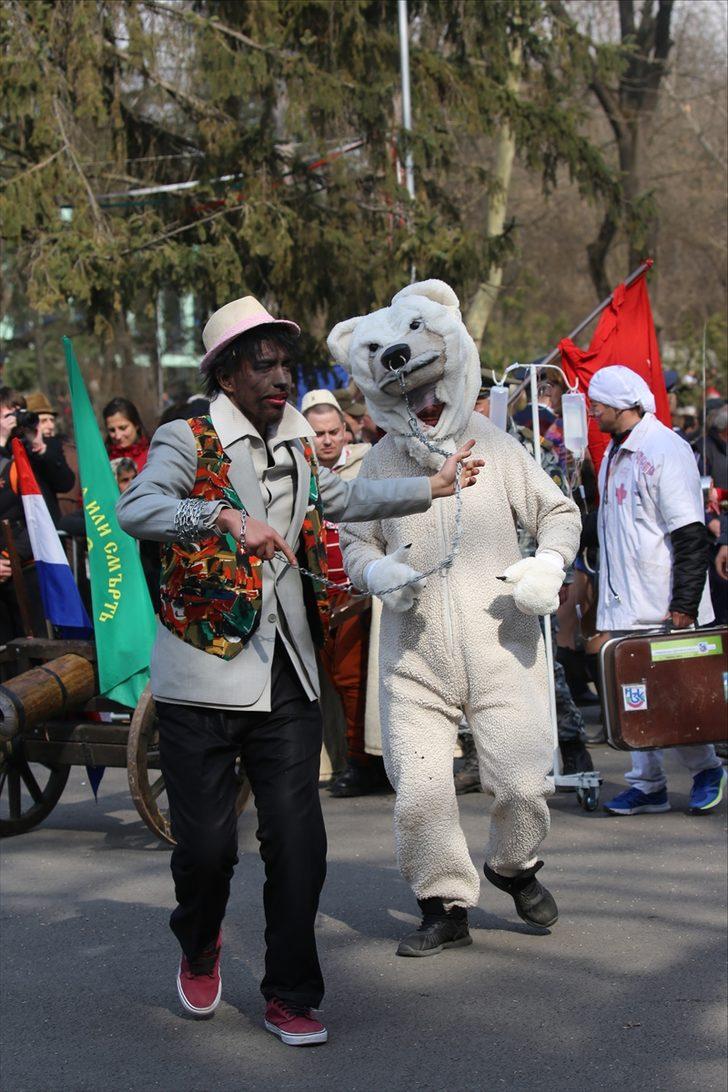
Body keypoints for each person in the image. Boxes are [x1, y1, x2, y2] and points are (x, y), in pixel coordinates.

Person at [116, 295, 481, 1045]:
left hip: (287, 675)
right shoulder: (185, 439)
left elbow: (340, 495)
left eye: (285, 362)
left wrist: (431, 485)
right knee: (209, 851)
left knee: (299, 845)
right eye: (264, 363)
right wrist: (218, 517)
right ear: (225, 372)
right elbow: (138, 508)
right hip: (200, 674)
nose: (281, 375)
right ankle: (200, 941)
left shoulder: (294, 443)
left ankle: (291, 994)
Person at [586, 366, 726, 817]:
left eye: (598, 405)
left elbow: (690, 533)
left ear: (620, 405)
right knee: (636, 701)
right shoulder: (614, 452)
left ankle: (707, 770)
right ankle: (648, 786)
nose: (593, 412)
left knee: (678, 699)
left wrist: (684, 604)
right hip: (624, 605)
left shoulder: (663, 448)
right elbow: (611, 523)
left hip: (664, 604)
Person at [301, 390, 388, 797]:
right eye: (318, 433)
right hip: (313, 592)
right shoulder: (294, 472)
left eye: (334, 431)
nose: (328, 440)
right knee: (325, 684)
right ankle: (333, 760)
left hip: (355, 591)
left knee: (354, 681)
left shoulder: (366, 465)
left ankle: (361, 761)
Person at [0, 388, 76, 640]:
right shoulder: (4, 455)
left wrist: (38, 443)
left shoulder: (38, 448)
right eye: (9, 415)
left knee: (47, 635)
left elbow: (65, 482)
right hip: (8, 559)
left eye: (20, 414)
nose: (16, 421)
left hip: (39, 555)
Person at [103, 397, 150, 472]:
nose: (118, 436)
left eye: (123, 428)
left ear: (136, 425)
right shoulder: (103, 460)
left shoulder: (152, 455)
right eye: (112, 430)